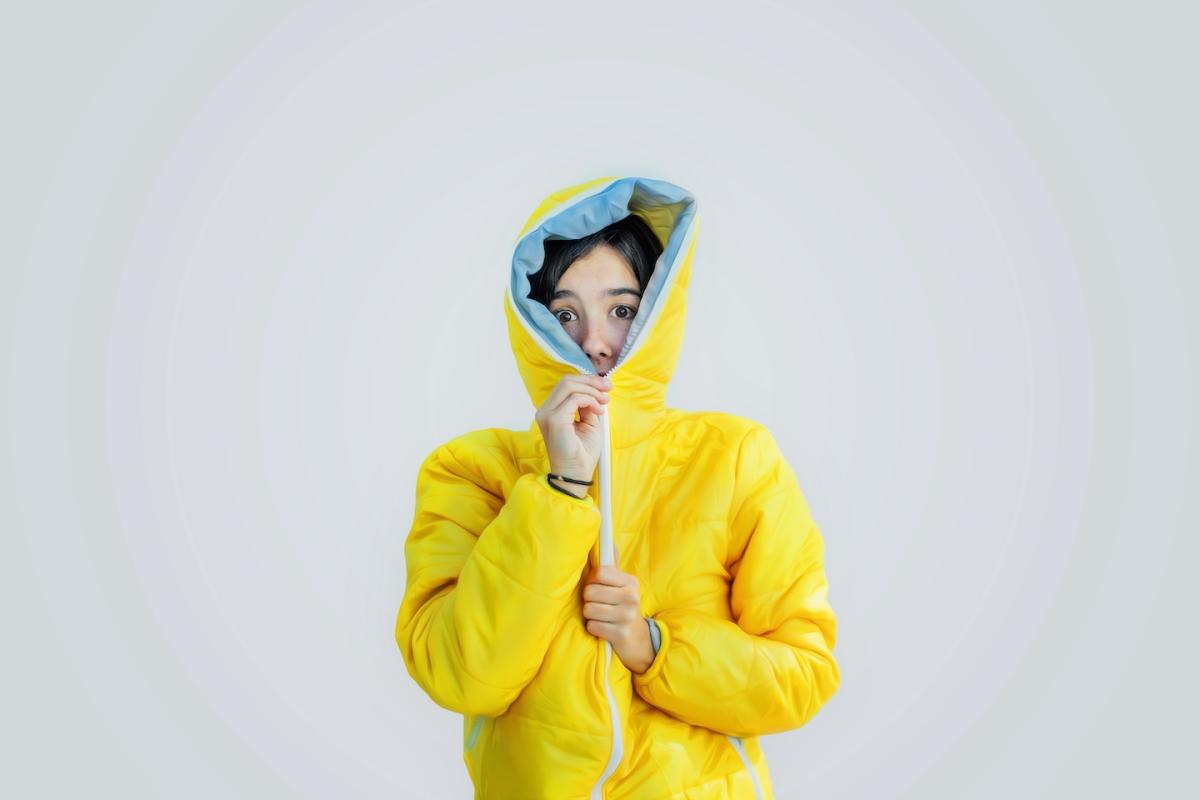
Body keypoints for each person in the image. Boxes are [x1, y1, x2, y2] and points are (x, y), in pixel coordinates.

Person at [395, 176, 839, 799]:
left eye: (622, 310)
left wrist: (653, 647)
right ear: (532, 323)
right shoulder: (470, 471)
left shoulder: (735, 458)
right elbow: (462, 676)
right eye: (566, 314)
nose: (595, 343)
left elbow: (804, 676)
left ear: (656, 313)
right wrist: (560, 490)